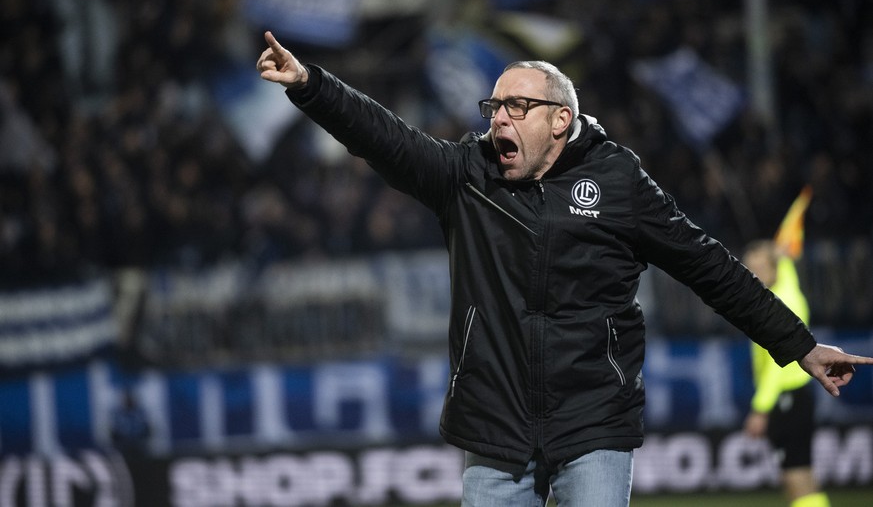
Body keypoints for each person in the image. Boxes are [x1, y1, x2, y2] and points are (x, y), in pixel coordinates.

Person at [256, 31, 872, 506]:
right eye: (493, 105)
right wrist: (309, 84)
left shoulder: (619, 181)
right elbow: (382, 136)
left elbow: (708, 267)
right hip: (493, 424)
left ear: (560, 119)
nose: (498, 117)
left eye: (516, 106)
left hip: (593, 421)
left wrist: (799, 345)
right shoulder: (465, 177)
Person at [742, 240, 830, 507]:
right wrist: (782, 256)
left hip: (787, 395)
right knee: (799, 475)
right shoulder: (785, 290)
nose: (754, 274)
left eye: (759, 267)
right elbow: (785, 270)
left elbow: (777, 366)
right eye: (749, 269)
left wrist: (760, 408)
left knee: (797, 476)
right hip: (796, 396)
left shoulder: (779, 305)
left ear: (773, 267)